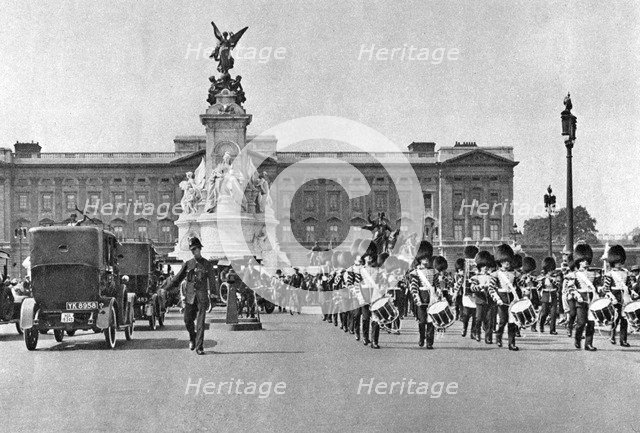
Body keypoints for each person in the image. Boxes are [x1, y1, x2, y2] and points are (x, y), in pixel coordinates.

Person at [167, 237, 215, 355]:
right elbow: (178, 278)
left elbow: (213, 282)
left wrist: (214, 296)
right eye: (192, 249)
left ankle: (199, 347)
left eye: (195, 249)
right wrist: (166, 289)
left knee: (200, 323)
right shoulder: (188, 264)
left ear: (200, 249)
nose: (194, 251)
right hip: (189, 297)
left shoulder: (207, 264)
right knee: (187, 320)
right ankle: (192, 337)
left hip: (202, 297)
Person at [603, 245, 639, 347]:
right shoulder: (609, 274)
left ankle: (623, 340)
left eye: (620, 261)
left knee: (624, 319)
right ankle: (612, 335)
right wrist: (612, 298)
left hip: (625, 296)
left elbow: (628, 286)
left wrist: (632, 292)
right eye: (617, 262)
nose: (619, 264)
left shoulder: (626, 272)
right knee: (615, 317)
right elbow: (606, 288)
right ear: (613, 262)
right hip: (615, 296)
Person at [564, 243, 598, 351]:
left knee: (591, 323)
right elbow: (570, 288)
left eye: (587, 260)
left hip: (591, 300)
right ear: (579, 261)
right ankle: (577, 339)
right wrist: (577, 295)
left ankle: (588, 344)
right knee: (581, 323)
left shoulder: (594, 274)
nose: (586, 262)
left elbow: (597, 287)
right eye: (583, 260)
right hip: (580, 299)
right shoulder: (575, 274)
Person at [489, 244, 521, 351]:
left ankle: (511, 344)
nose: (507, 263)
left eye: (508, 261)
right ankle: (499, 337)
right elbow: (491, 289)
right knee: (503, 321)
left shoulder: (515, 273)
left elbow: (519, 285)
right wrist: (497, 299)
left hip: (512, 298)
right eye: (505, 261)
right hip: (501, 298)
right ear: (500, 262)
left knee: (512, 322)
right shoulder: (495, 274)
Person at [409, 241, 436, 349]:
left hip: (431, 299)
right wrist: (417, 299)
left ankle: (429, 342)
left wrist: (438, 293)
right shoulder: (415, 273)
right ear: (420, 258)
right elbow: (414, 288)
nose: (426, 260)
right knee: (422, 321)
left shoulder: (433, 272)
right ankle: (422, 337)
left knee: (431, 321)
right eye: (424, 258)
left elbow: (436, 285)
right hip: (421, 298)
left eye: (427, 257)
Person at [470, 251, 494, 344]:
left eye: (487, 266)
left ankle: (488, 337)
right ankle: (477, 333)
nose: (485, 268)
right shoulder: (475, 277)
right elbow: (472, 287)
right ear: (480, 267)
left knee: (489, 320)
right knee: (478, 318)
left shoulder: (492, 277)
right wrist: (480, 287)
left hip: (490, 300)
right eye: (483, 266)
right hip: (480, 300)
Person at [537, 257, 561, 335]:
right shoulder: (542, 277)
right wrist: (543, 282)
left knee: (553, 313)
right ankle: (541, 325)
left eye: (552, 270)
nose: (551, 271)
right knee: (544, 313)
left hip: (553, 295)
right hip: (546, 295)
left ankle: (552, 330)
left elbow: (558, 286)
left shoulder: (555, 277)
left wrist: (554, 282)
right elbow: (539, 287)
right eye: (550, 270)